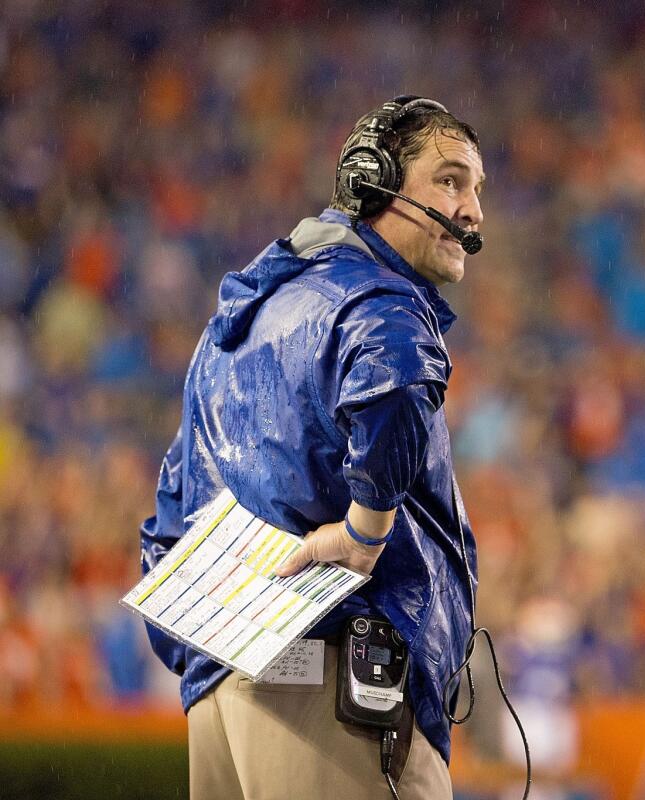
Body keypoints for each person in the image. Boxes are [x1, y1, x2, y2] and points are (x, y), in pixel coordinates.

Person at [138, 96, 485, 800]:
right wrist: (364, 535)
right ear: (375, 180)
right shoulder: (379, 300)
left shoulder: (242, 314)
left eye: (477, 188)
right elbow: (396, 377)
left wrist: (202, 652)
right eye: (450, 180)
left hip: (223, 693)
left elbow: (173, 500)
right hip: (331, 683)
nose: (473, 211)